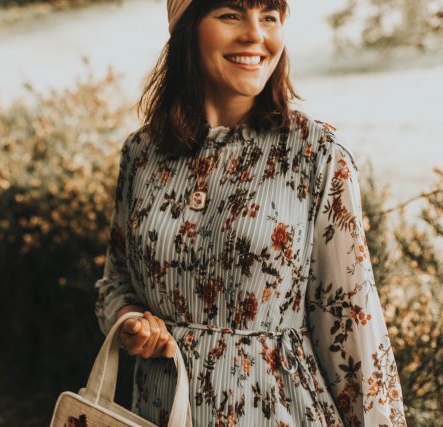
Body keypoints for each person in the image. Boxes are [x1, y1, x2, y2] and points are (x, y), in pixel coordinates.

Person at [94, 0, 407, 426]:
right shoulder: (143, 153)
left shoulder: (315, 155)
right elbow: (117, 281)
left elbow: (352, 328)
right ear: (186, 28)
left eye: (270, 16)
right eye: (230, 14)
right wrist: (130, 321)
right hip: (159, 412)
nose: (255, 34)